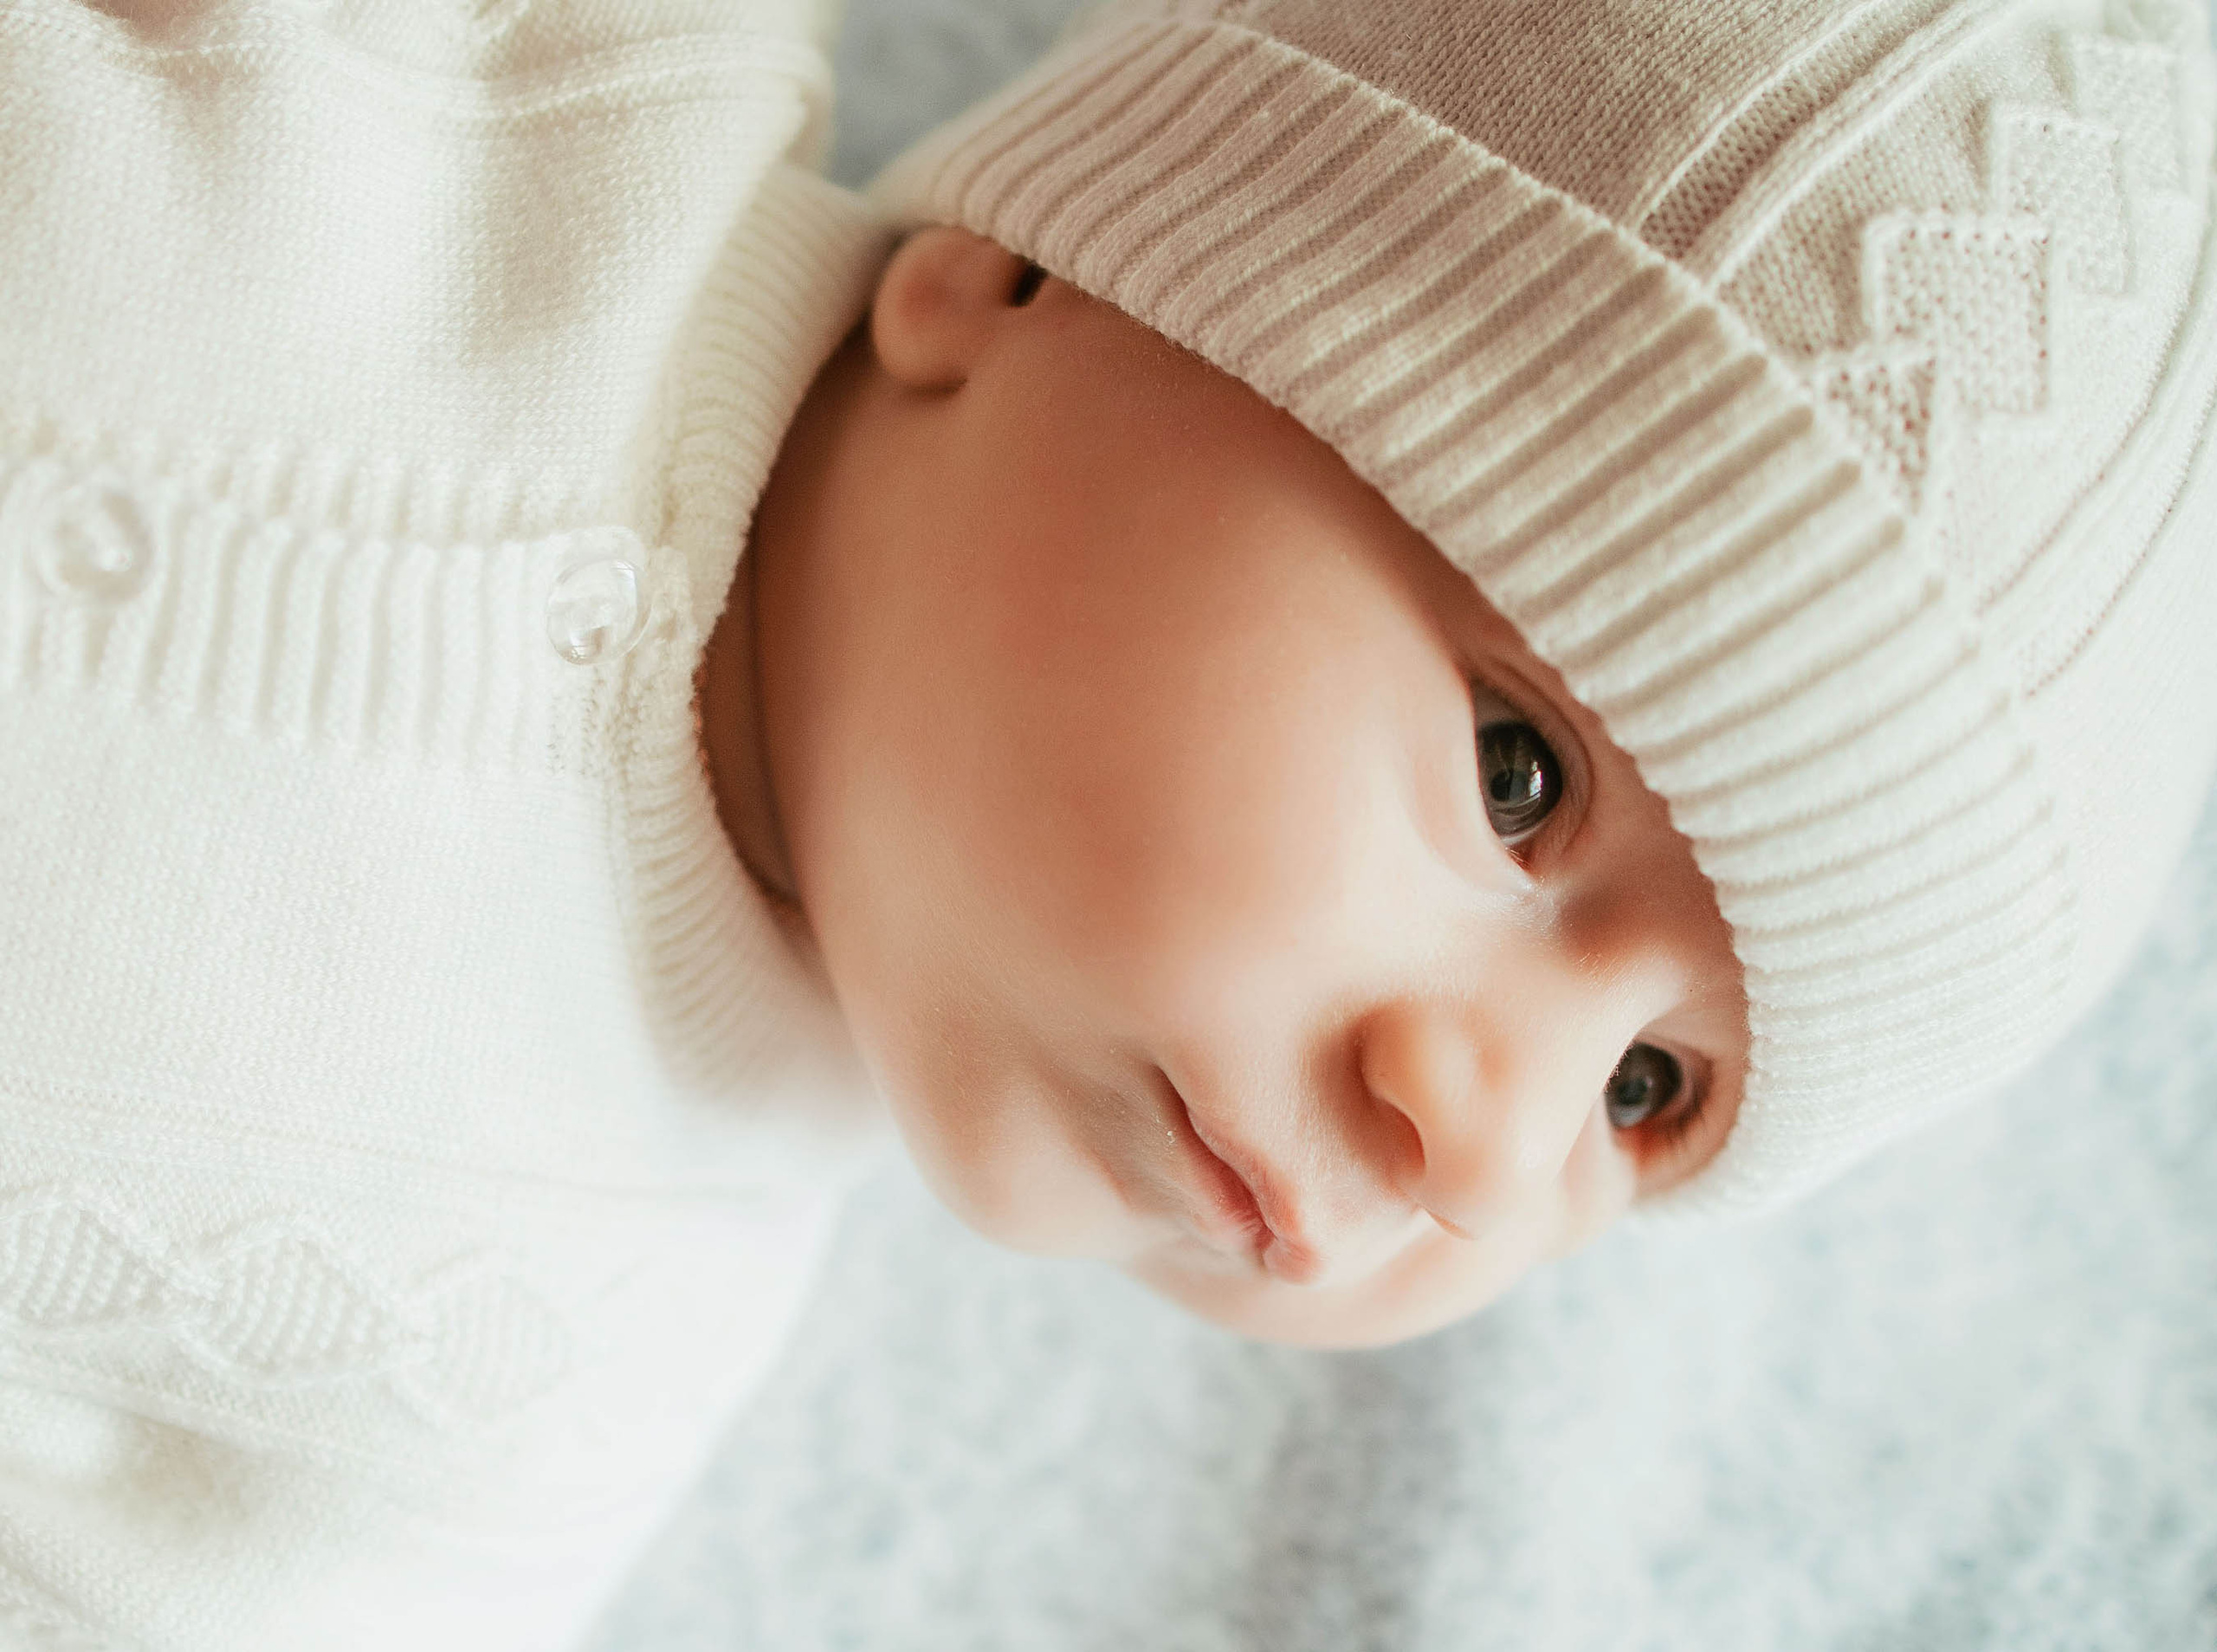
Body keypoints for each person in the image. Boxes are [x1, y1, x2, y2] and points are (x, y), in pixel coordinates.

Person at [3, 0, 2214, 1646]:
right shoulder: (534, 75)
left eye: (1647, 1097)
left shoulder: (529, 1376)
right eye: (1517, 776)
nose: (1473, 1144)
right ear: (1018, 279)